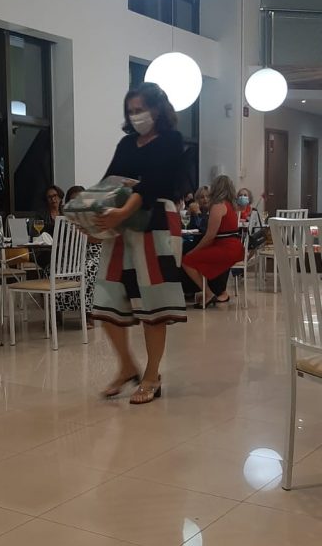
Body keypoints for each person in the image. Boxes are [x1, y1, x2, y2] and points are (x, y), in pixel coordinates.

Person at [93, 81, 186, 405]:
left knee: (153, 304)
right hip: (123, 226)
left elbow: (154, 184)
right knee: (105, 298)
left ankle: (152, 375)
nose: (135, 116)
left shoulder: (172, 140)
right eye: (130, 111)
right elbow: (110, 182)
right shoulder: (126, 144)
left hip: (156, 223)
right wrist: (91, 216)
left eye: (140, 109)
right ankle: (127, 366)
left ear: (157, 109)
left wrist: (121, 212)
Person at [182, 175, 244, 308]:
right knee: (198, 258)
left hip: (226, 249)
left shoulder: (218, 206)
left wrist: (194, 251)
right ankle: (213, 291)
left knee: (187, 260)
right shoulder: (230, 206)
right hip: (234, 247)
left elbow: (210, 236)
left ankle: (208, 293)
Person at [57, 186, 101, 330]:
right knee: (52, 270)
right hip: (72, 258)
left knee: (88, 270)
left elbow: (100, 238)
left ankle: (88, 314)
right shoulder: (65, 220)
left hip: (93, 255)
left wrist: (83, 234)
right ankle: (56, 313)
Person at [188, 185, 231, 304]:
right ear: (197, 200)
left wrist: (198, 214)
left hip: (216, 246)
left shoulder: (214, 211)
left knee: (188, 256)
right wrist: (193, 214)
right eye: (201, 197)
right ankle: (190, 289)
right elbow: (190, 227)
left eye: (207, 196)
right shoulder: (196, 211)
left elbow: (205, 230)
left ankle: (211, 291)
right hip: (201, 244)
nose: (205, 199)